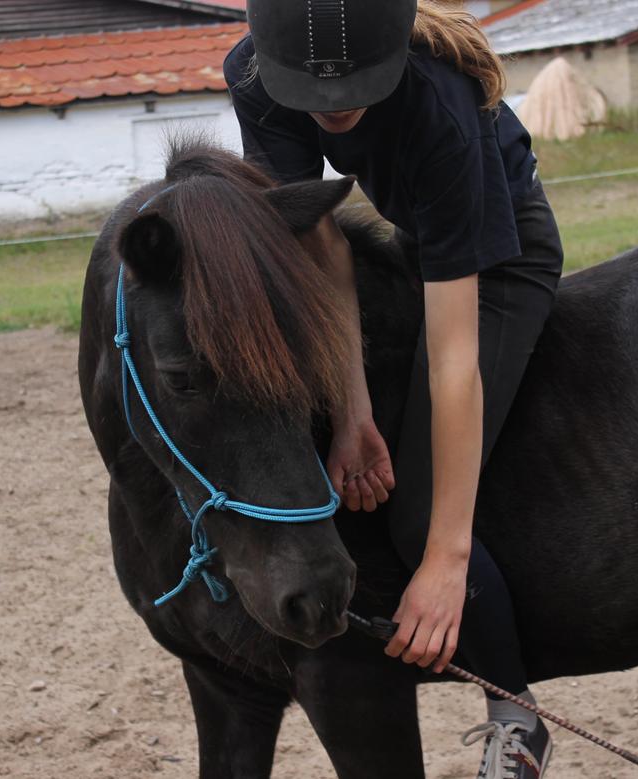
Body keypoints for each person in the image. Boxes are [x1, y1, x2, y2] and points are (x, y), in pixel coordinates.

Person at [224, 1, 564, 777]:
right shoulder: (254, 73)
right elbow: (319, 235)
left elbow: (454, 364)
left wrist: (444, 557)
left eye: (355, 86)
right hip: (405, 242)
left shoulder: (441, 105)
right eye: (311, 89)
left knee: (416, 512)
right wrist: (351, 411)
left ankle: (517, 712)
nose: (333, 104)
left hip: (502, 253)